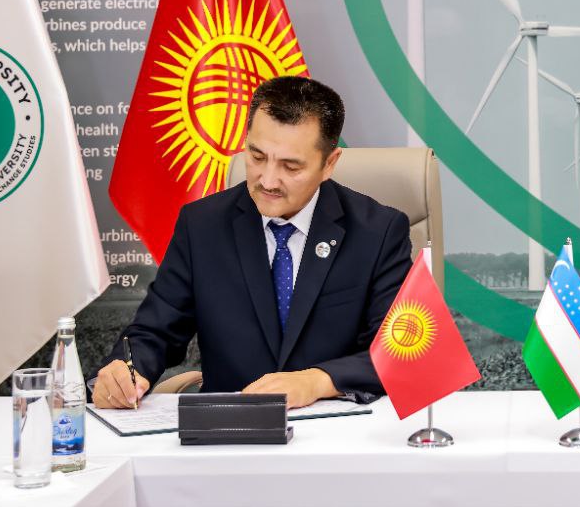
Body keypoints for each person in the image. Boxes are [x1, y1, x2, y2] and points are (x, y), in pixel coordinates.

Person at [92, 76, 412, 409]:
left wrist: (318, 381)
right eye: (257, 157)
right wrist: (125, 371)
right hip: (229, 427)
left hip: (336, 426)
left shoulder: (378, 232)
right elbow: (155, 332)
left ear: (329, 163)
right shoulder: (202, 225)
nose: (268, 181)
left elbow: (398, 351)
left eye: (290, 166)